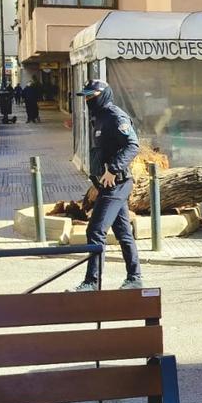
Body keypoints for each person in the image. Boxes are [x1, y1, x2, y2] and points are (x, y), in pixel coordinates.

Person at [72, 79, 142, 292]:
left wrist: (112, 169)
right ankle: (134, 278)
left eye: (91, 96)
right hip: (108, 185)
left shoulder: (114, 116)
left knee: (95, 231)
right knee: (123, 233)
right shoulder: (98, 116)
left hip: (117, 184)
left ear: (103, 95)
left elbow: (133, 145)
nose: (87, 100)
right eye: (85, 96)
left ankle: (92, 282)